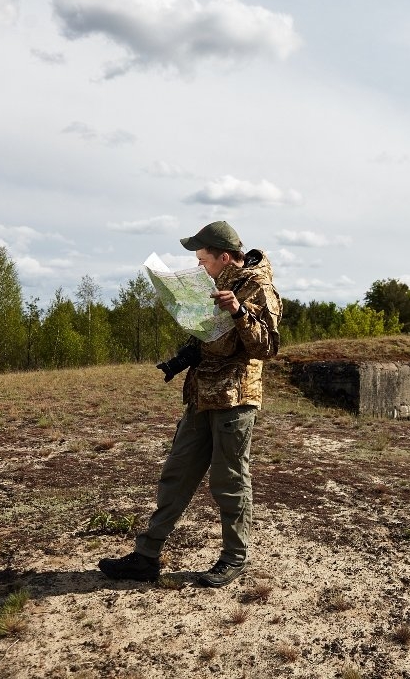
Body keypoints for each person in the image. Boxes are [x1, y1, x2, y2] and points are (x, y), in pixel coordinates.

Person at [99, 220, 281, 587]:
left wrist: (239, 312)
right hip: (201, 395)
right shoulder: (214, 284)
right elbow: (209, 338)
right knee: (177, 473)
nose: (199, 267)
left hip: (235, 398)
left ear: (224, 257)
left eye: (202, 261)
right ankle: (146, 556)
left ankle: (233, 558)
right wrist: (181, 358)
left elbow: (267, 347)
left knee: (229, 479)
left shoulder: (258, 287)